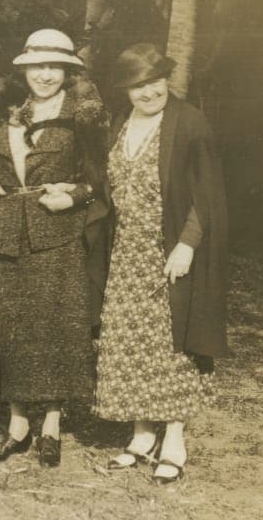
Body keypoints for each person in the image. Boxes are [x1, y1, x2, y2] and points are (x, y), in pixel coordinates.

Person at [92, 42, 229, 483]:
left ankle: (174, 439)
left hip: (168, 249)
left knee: (171, 343)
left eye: (154, 82)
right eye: (137, 86)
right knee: (131, 338)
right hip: (126, 251)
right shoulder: (120, 123)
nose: (147, 93)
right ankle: (141, 434)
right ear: (126, 91)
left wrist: (187, 244)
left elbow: (206, 193)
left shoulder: (190, 124)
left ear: (167, 79)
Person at [0, 28, 110, 468]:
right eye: (38, 66)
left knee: (56, 326)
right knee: (15, 326)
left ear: (69, 71)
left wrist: (73, 196)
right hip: (12, 231)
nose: (46, 75)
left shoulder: (82, 114)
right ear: (25, 68)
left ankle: (51, 423)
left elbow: (99, 177)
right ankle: (17, 425)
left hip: (58, 232)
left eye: (55, 66)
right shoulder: (6, 108)